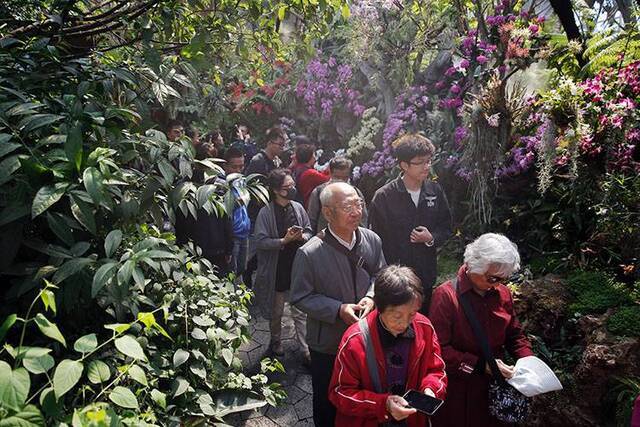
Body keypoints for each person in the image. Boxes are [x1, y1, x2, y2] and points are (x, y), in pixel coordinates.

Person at [291, 182, 386, 427]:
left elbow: (380, 274)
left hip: (366, 336)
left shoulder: (372, 240)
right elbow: (300, 296)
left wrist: (372, 296)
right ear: (327, 213)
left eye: (359, 204)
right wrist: (337, 309)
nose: (357, 211)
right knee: (327, 399)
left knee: (363, 393)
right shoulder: (309, 253)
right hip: (328, 343)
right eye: (348, 206)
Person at [429, 233, 534, 427]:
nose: (497, 284)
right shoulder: (446, 296)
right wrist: (481, 365)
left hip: (494, 388)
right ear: (472, 265)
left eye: (503, 279)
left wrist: (529, 362)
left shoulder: (502, 293)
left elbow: (515, 334)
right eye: (493, 278)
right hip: (460, 391)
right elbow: (438, 350)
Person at [328, 265, 447, 427]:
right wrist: (383, 405)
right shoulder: (355, 340)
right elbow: (340, 393)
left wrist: (431, 390)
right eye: (397, 316)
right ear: (379, 307)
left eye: (412, 314)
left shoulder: (424, 326)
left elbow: (436, 370)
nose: (405, 323)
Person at [369, 133, 452, 313]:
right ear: (404, 165)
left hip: (425, 276)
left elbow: (446, 227)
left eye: (429, 161)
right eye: (420, 162)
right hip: (395, 279)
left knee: (423, 321)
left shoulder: (434, 190)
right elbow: (375, 241)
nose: (427, 167)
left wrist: (431, 238)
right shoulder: (384, 197)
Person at [254, 169, 312, 362]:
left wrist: (302, 236)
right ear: (276, 190)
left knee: (301, 310)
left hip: (298, 266)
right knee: (276, 311)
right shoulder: (266, 213)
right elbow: (260, 241)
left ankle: (305, 348)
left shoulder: (297, 207)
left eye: (292, 185)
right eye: (287, 187)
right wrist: (283, 241)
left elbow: (310, 232)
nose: (292, 189)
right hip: (277, 268)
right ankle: (275, 341)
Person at [243, 126, 287, 286]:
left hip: (268, 211)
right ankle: (244, 280)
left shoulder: (275, 161)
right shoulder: (258, 161)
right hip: (256, 212)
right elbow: (249, 186)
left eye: (283, 145)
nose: (282, 148)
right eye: (279, 144)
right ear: (269, 142)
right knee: (253, 248)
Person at [308, 156, 368, 234]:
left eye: (345, 178)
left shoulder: (355, 193)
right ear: (330, 173)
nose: (341, 181)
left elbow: (363, 220)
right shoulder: (319, 193)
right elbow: (312, 220)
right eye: (337, 177)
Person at [223, 147, 251, 278]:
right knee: (231, 272)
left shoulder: (241, 181)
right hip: (232, 235)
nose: (239, 171)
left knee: (241, 268)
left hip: (244, 233)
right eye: (235, 167)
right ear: (225, 165)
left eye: (241, 167)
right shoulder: (220, 185)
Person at [293, 142, 330, 207]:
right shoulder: (310, 173)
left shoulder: (298, 167)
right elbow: (327, 179)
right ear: (309, 156)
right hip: (309, 205)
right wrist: (331, 168)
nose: (315, 157)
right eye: (313, 154)